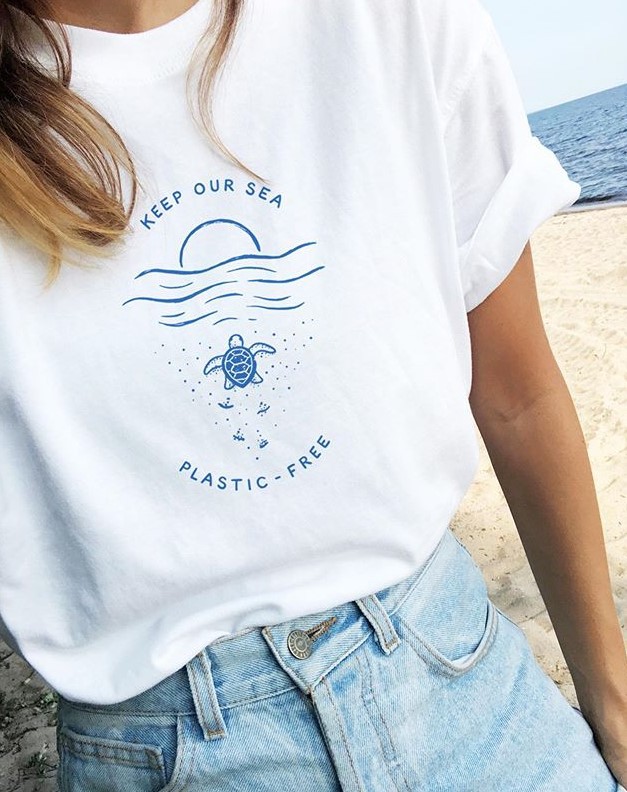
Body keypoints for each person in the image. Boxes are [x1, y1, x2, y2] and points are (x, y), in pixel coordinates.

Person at [0, 0, 625, 789]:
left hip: (467, 685)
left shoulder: (387, 19)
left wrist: (613, 705)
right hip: (163, 744)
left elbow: (517, 395)